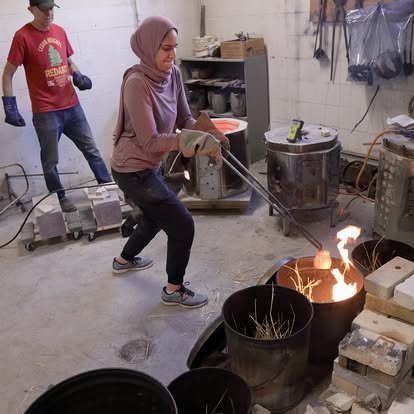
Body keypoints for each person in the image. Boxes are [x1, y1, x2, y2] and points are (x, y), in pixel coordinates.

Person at [111, 16, 229, 309]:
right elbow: (150, 140)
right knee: (182, 224)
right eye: (165, 48)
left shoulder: (173, 74)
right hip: (131, 168)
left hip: (148, 165)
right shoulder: (137, 84)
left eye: (174, 47)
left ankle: (123, 260)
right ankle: (173, 289)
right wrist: (188, 142)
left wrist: (207, 132)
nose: (172, 55)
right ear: (149, 48)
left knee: (154, 218)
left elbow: (183, 119)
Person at [1, 0, 112, 213]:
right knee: (50, 160)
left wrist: (78, 75)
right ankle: (59, 196)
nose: (49, 13)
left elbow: (68, 62)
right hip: (46, 112)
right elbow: (8, 73)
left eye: (51, 8)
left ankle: (106, 186)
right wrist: (9, 105)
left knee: (92, 150)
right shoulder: (22, 37)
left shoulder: (59, 31)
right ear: (31, 10)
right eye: (43, 9)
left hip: (72, 106)